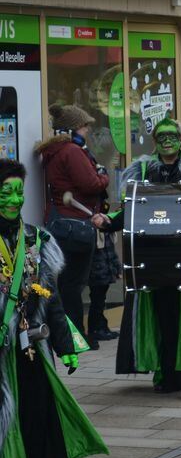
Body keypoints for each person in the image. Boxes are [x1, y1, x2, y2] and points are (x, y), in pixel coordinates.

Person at [92, 118, 181, 401]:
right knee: (161, 311)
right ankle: (167, 372)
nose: (166, 141)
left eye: (171, 135)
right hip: (152, 253)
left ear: (180, 137)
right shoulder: (142, 169)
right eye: (161, 136)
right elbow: (131, 208)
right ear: (154, 140)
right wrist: (108, 221)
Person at [0, 160, 109, 458]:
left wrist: (66, 348)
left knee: (32, 422)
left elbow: (54, 302)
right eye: (6, 191)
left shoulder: (37, 239)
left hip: (31, 351)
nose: (14, 199)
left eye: (19, 192)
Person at [35, 104, 108, 346]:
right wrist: (103, 175)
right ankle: (76, 338)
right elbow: (91, 184)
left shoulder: (53, 151)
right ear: (75, 128)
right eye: (85, 126)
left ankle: (64, 335)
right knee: (74, 286)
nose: (87, 131)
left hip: (59, 225)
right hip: (76, 227)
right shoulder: (71, 151)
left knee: (65, 284)